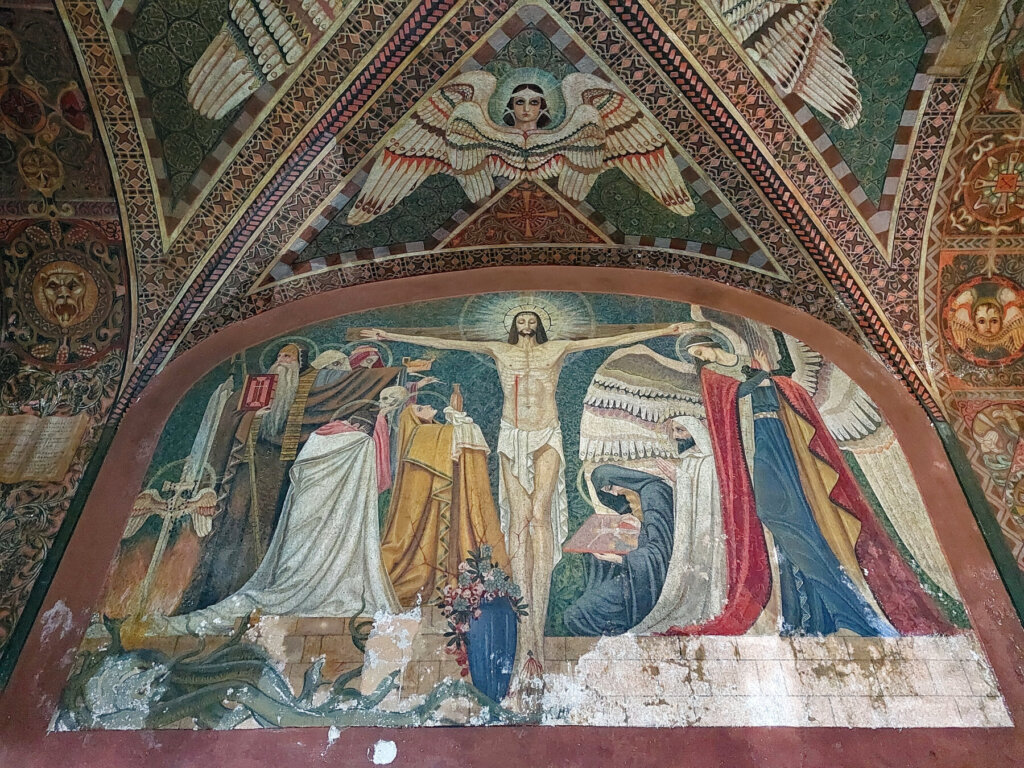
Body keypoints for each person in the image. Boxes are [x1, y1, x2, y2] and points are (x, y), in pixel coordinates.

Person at [361, 315, 684, 669]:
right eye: (521, 318)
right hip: (512, 433)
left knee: (540, 518)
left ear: (538, 324)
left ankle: (537, 638)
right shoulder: (500, 351)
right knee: (518, 521)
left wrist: (664, 330)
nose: (527, 322)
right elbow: (451, 342)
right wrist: (388, 332)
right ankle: (522, 635)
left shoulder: (556, 349)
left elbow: (607, 338)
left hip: (546, 432)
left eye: (532, 318)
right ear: (514, 325)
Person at [684, 343, 953, 637]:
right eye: (697, 357)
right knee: (774, 516)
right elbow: (735, 396)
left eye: (700, 350)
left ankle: (839, 614)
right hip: (756, 446)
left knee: (799, 524)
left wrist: (764, 376)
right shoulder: (714, 377)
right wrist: (762, 376)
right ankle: (814, 615)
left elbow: (784, 399)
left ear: (712, 343)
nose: (701, 358)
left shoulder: (753, 369)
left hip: (778, 441)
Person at [156, 389, 407, 634]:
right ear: (359, 426)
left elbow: (305, 473)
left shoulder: (320, 436)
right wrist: (379, 426)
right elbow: (379, 477)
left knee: (293, 564)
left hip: (305, 512)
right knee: (301, 568)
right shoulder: (361, 443)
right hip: (320, 517)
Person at [379, 401, 510, 608]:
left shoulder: (434, 432)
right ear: (414, 420)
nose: (426, 406)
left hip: (440, 504)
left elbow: (449, 435)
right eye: (419, 409)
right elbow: (449, 435)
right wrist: (460, 424)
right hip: (428, 510)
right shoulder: (421, 434)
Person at [633, 416, 727, 633]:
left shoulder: (709, 461)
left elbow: (707, 496)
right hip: (692, 527)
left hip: (706, 528)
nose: (676, 436)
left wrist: (679, 478)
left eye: (681, 430)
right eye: (674, 431)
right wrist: (676, 479)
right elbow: (686, 489)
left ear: (695, 432)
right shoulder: (689, 460)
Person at [563, 464, 674, 636]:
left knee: (576, 616)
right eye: (607, 491)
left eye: (611, 487)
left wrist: (619, 559)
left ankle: (619, 636)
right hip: (639, 573)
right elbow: (655, 537)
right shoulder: (645, 492)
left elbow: (662, 553)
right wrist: (636, 529)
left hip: (650, 581)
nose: (614, 494)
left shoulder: (653, 493)